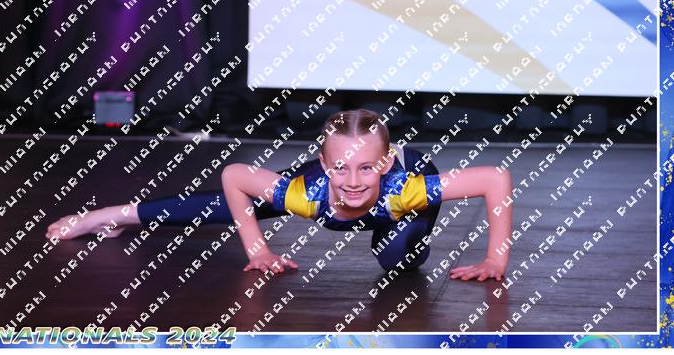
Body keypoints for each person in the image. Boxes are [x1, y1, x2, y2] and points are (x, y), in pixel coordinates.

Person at [46, 108, 512, 281]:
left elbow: (496, 179)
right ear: (324, 164)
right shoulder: (305, 192)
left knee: (396, 258)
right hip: (323, 186)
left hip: (398, 198)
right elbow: (234, 176)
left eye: (365, 168)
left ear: (385, 164)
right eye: (341, 168)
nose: (352, 181)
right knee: (230, 208)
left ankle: (404, 233)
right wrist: (258, 249)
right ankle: (111, 215)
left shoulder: (407, 189)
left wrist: (496, 260)